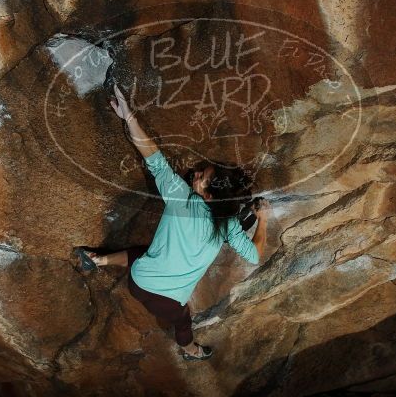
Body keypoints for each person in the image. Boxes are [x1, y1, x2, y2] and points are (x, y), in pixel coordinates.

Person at [76, 85, 270, 361]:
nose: (198, 171)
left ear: (209, 193)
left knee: (142, 253)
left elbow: (154, 157)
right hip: (164, 300)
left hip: (140, 277)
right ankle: (191, 351)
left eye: (202, 175)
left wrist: (129, 118)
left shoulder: (181, 197)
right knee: (183, 320)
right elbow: (254, 255)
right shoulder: (228, 225)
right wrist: (262, 220)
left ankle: (97, 260)